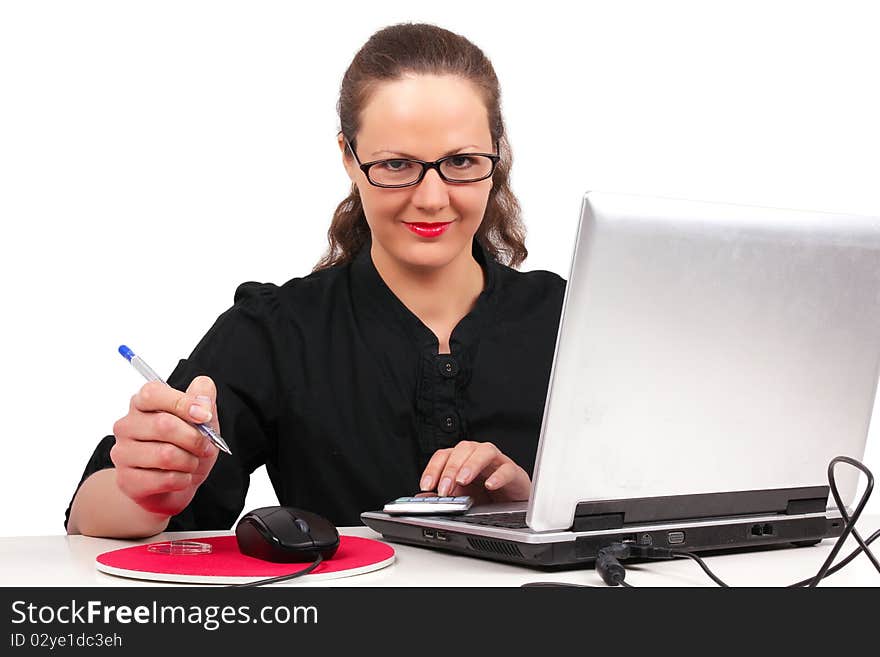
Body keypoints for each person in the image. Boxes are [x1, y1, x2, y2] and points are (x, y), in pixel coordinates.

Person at [65, 22, 566, 538]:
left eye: (461, 161)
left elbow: (645, 507)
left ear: (497, 153)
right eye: (395, 164)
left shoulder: (575, 323)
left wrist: (524, 513)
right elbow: (87, 513)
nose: (433, 198)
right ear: (349, 156)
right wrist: (144, 489)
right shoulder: (277, 333)